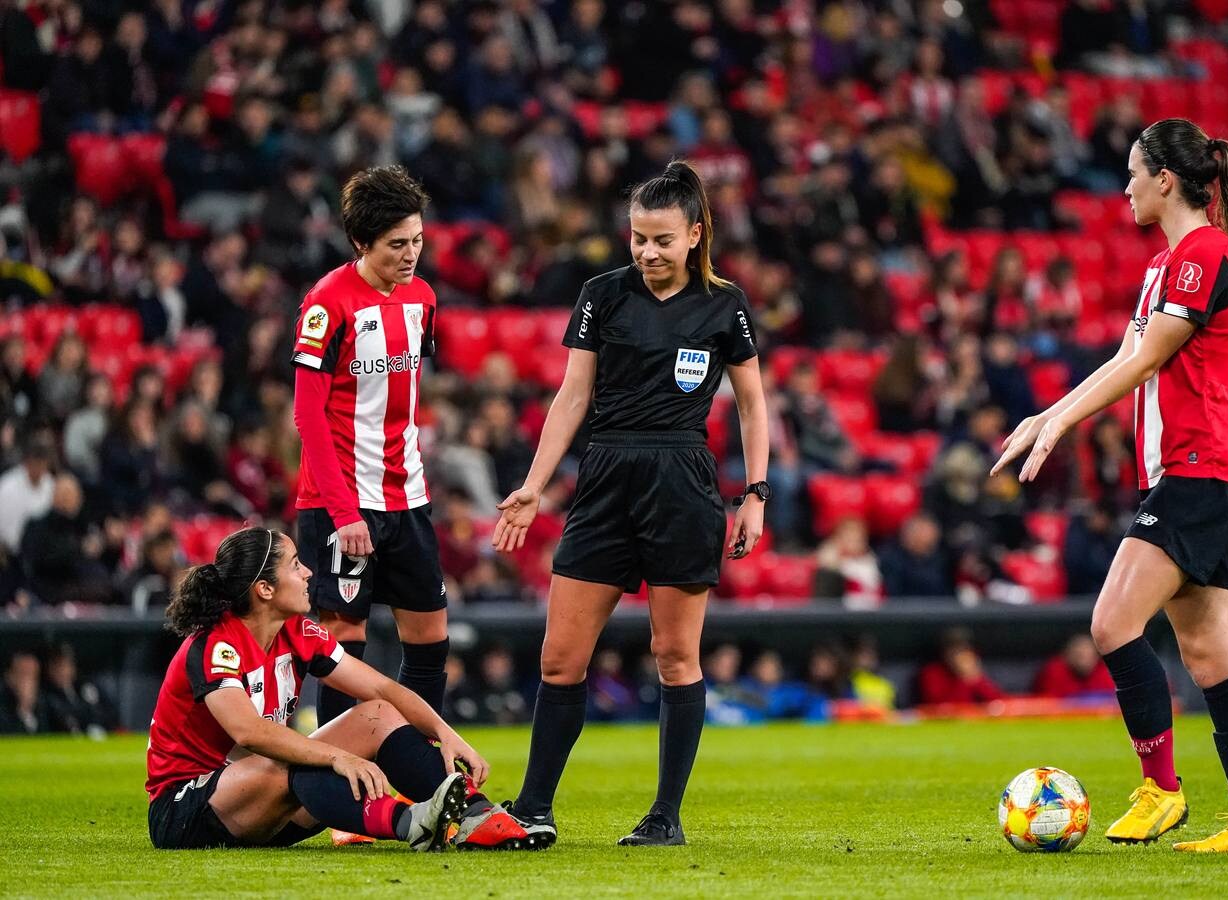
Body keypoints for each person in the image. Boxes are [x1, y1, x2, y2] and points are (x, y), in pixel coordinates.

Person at [992, 119, 1228, 852]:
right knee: (1212, 652)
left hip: (1204, 467)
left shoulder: (1203, 256)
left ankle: (1162, 792)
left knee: (1111, 624)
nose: (1122, 186)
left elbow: (1146, 360)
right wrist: (1046, 413)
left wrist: (1059, 425)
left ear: (1165, 179)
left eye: (1132, 172)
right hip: (1192, 471)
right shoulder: (1165, 268)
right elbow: (1127, 354)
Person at [492, 160, 768, 847]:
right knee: (561, 658)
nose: (647, 252)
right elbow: (572, 395)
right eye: (638, 238)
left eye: (662, 240)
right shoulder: (601, 294)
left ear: (695, 235)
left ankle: (665, 816)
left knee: (676, 656)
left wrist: (755, 494)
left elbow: (754, 406)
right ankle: (532, 806)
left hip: (682, 480)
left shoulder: (725, 303)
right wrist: (534, 482)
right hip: (606, 476)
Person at [145, 526, 531, 851]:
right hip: (185, 808)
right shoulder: (216, 645)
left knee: (376, 715)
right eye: (295, 565)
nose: (309, 573)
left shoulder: (298, 631)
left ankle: (480, 816)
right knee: (298, 757)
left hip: (264, 793)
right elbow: (251, 733)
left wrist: (444, 733)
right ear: (264, 589)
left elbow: (381, 687)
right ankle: (414, 823)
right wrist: (335, 756)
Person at [289, 166, 452, 844]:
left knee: (430, 639)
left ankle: (428, 781)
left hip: (407, 499)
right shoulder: (327, 305)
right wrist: (344, 511)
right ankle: (349, 806)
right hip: (340, 506)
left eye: (415, 240)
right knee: (344, 646)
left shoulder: (424, 299)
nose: (409, 254)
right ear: (361, 241)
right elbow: (308, 416)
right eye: (394, 243)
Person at [1033, 634, 1116, 699]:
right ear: (1068, 655)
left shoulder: (1106, 673)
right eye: (1079, 655)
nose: (1084, 661)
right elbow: (1045, 702)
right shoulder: (1055, 672)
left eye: (1089, 655)